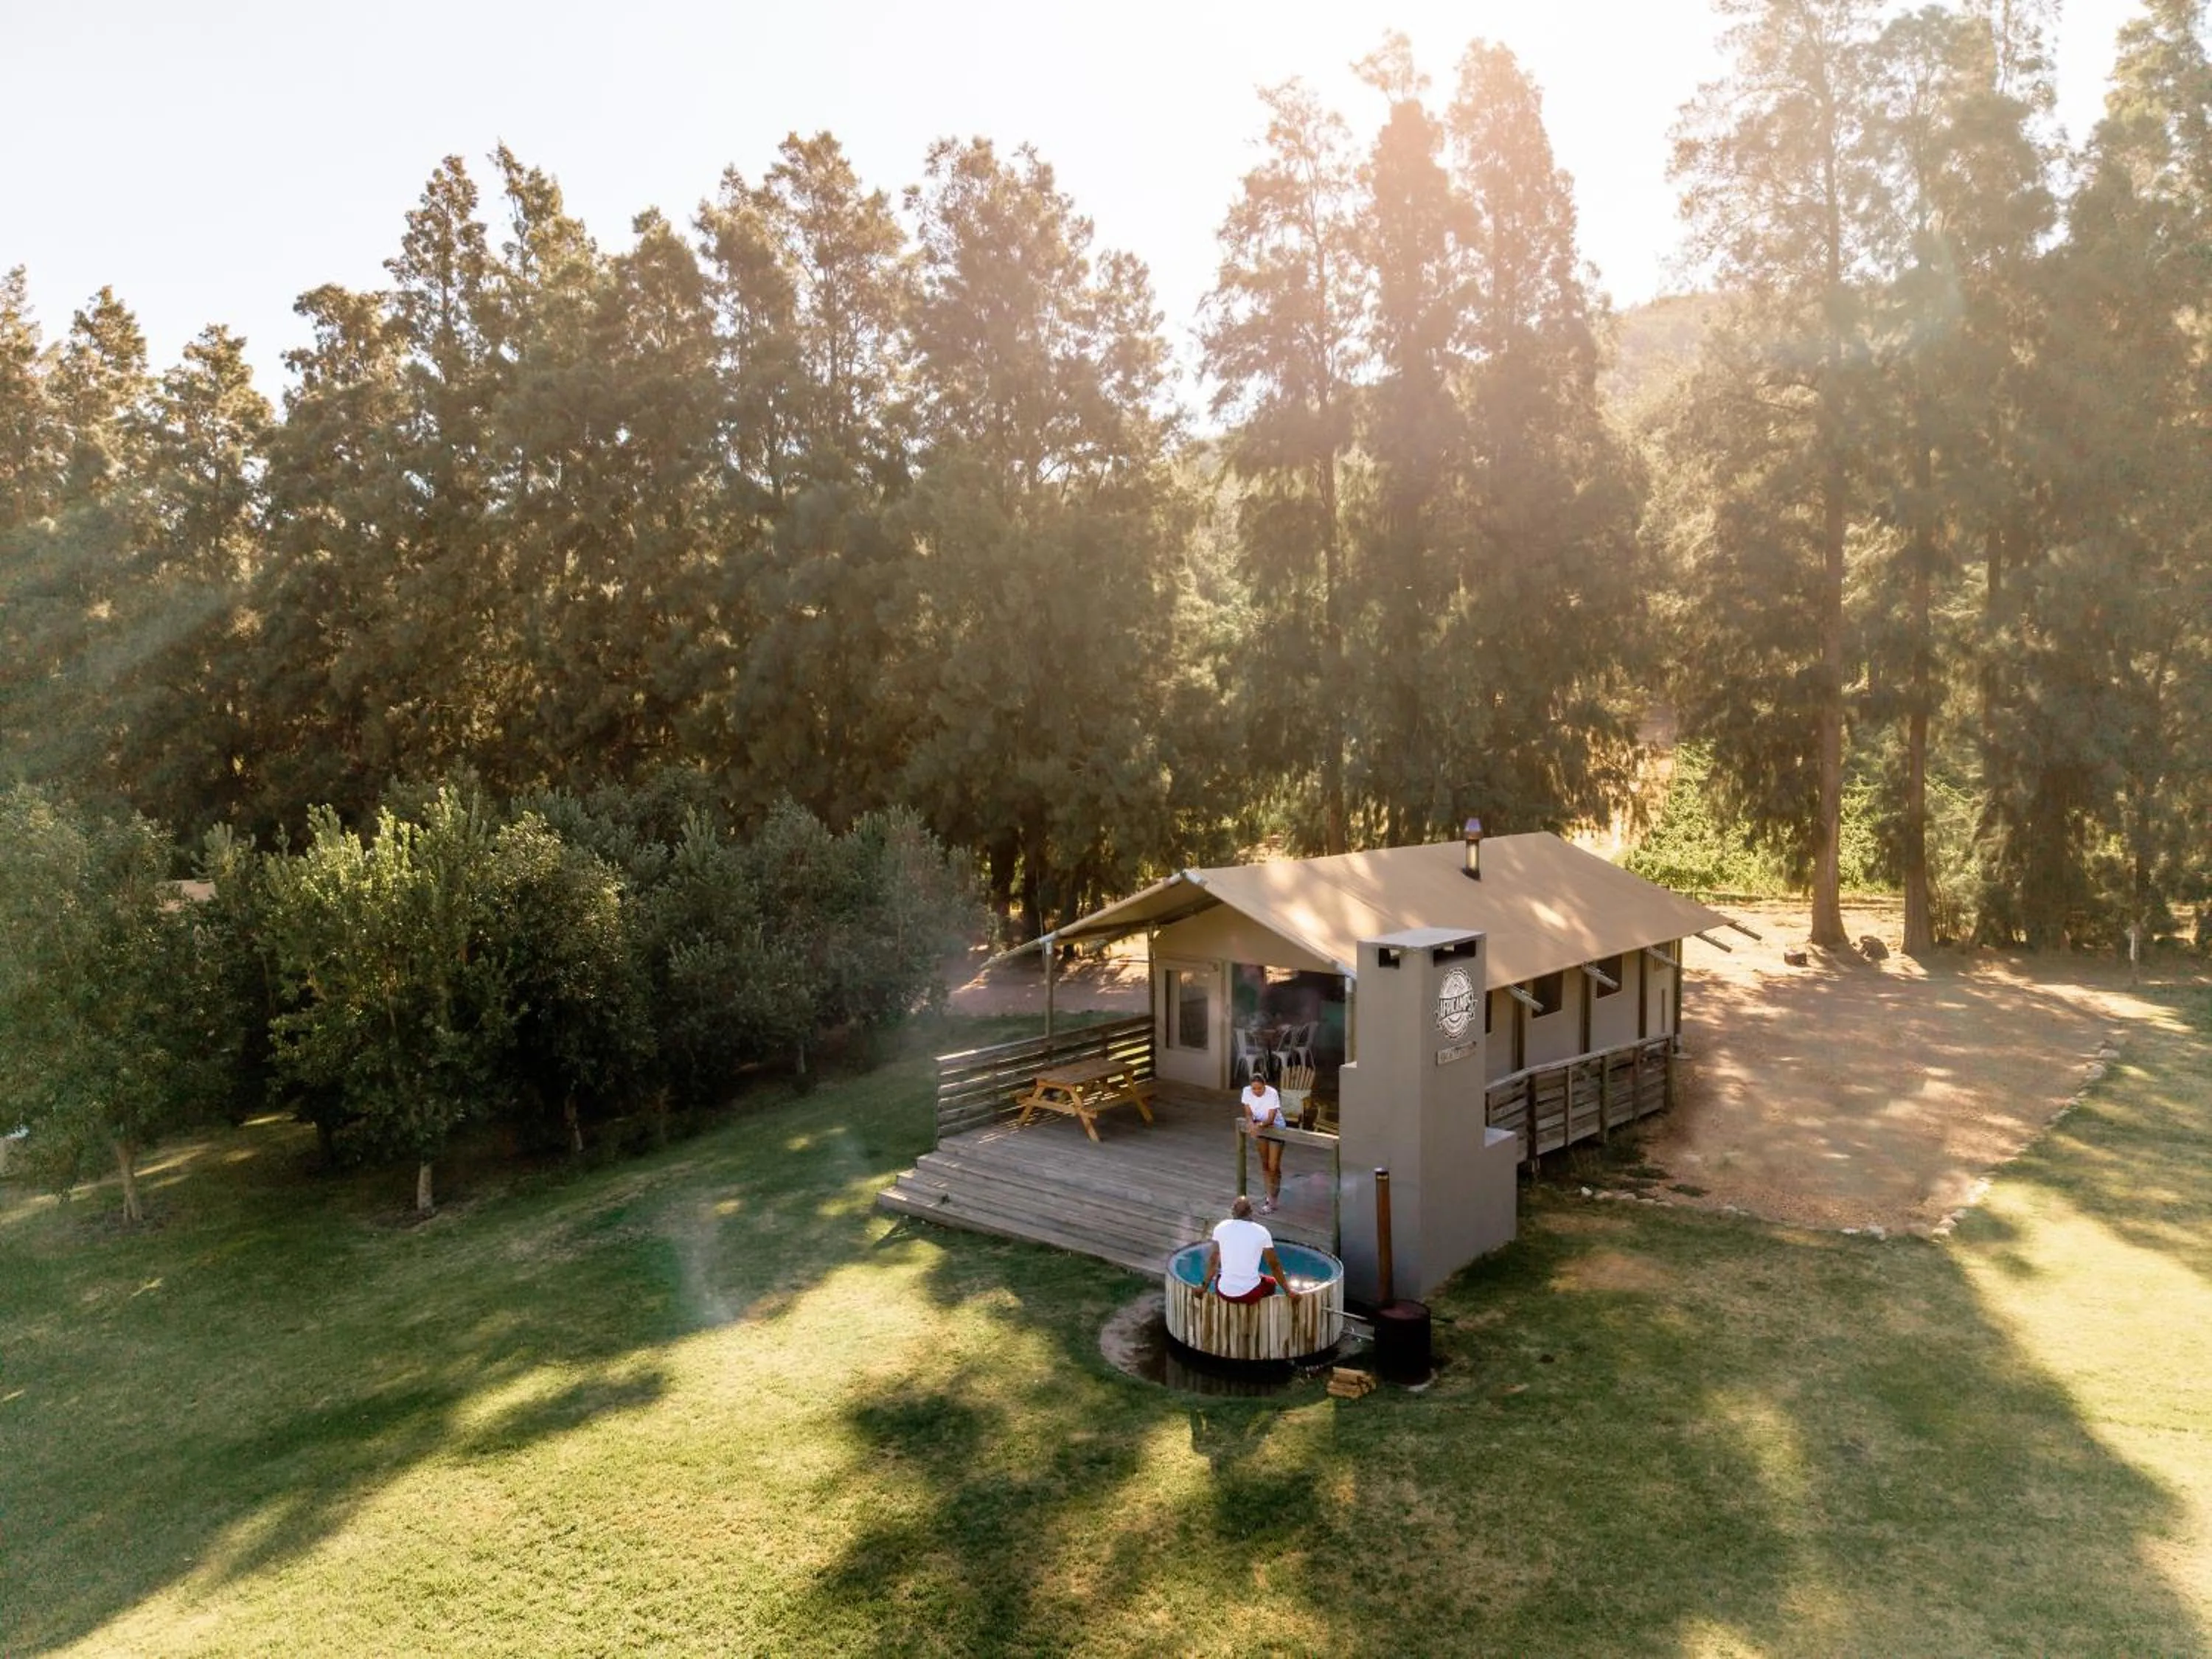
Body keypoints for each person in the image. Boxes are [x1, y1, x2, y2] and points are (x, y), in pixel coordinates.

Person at [1204, 1194, 1291, 1302]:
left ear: (1232, 1212)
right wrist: (1289, 1292)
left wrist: (1203, 1287)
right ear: (1251, 1212)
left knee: (1221, 1276)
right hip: (1250, 1294)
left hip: (1224, 1292)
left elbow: (1213, 1260)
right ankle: (1259, 1314)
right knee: (1271, 1283)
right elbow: (1274, 1265)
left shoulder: (1221, 1227)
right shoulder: (1262, 1232)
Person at [1240, 1071, 1287, 1212]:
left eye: (1259, 1088)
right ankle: (1269, 1198)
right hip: (1259, 1126)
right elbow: (1248, 1113)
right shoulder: (1246, 1092)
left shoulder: (1272, 1093)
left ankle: (1274, 1198)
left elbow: (1271, 1118)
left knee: (1274, 1166)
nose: (1256, 1091)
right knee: (1265, 1165)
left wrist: (1257, 1126)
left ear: (1264, 1086)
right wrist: (1250, 1124)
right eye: (1254, 1088)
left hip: (1274, 1127)